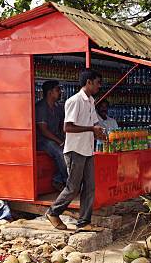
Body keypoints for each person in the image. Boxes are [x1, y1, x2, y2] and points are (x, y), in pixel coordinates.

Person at [45, 69, 106, 231]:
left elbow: (94, 123)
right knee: (73, 187)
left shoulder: (91, 101)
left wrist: (99, 132)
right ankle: (53, 212)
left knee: (90, 187)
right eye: (97, 82)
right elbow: (67, 127)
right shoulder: (74, 101)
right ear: (89, 83)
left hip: (87, 149)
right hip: (74, 150)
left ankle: (84, 222)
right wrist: (92, 130)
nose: (99, 86)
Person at [36, 80, 67, 192]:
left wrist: (65, 138)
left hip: (54, 138)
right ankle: (68, 183)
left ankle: (58, 180)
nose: (60, 92)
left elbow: (62, 124)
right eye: (57, 90)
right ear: (50, 93)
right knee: (60, 152)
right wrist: (60, 141)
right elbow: (43, 131)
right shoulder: (41, 107)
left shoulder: (58, 107)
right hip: (42, 140)